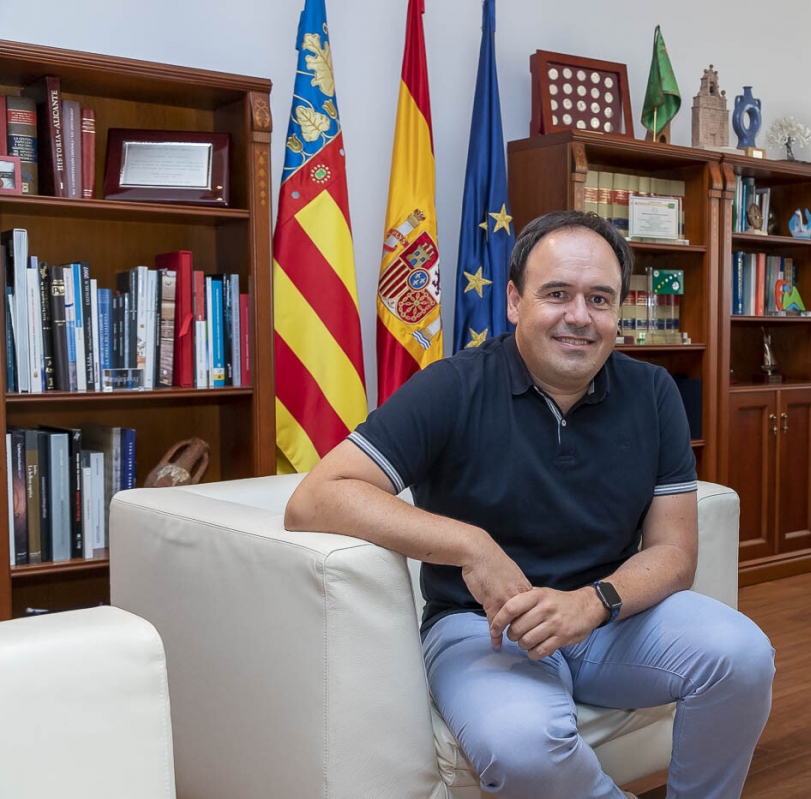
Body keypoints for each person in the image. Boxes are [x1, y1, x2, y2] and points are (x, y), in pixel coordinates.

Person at [285, 210, 775, 799]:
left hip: (609, 619)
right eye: (557, 294)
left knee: (744, 656)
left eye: (600, 298)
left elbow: (675, 553)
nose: (579, 316)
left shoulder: (653, 392)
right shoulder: (452, 386)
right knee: (522, 744)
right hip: (481, 628)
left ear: (620, 309)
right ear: (514, 301)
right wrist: (471, 544)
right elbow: (316, 498)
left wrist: (593, 603)